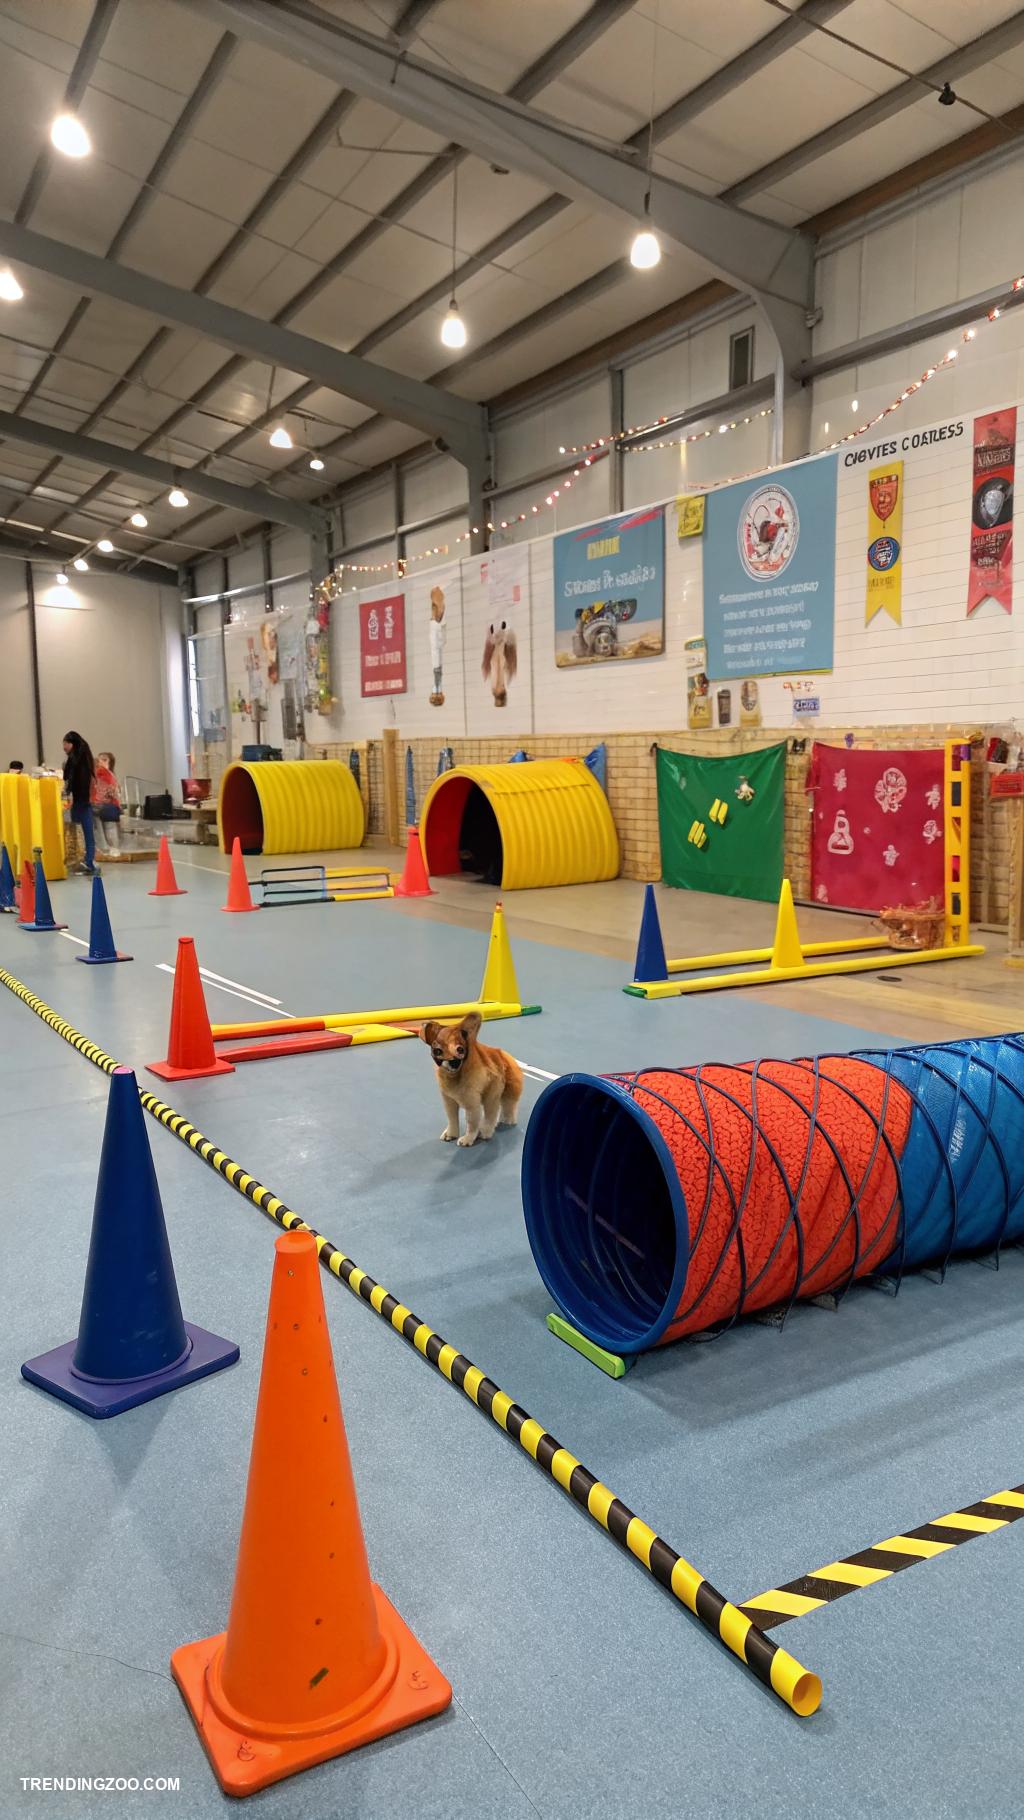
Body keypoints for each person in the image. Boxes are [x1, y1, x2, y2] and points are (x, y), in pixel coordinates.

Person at [62, 731, 96, 875]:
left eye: (66, 744)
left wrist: (70, 795)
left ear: (73, 744)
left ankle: (87, 862)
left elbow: (73, 780)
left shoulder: (78, 761)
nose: (63, 747)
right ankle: (86, 861)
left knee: (82, 833)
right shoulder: (80, 759)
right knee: (83, 833)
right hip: (81, 801)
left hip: (81, 802)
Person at [93, 750, 122, 852]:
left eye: (104, 760)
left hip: (107, 805)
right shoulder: (103, 774)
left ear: (110, 763)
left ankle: (111, 849)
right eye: (99, 760)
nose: (100, 762)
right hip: (103, 806)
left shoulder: (105, 774)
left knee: (108, 828)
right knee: (102, 828)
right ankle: (108, 849)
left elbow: (110, 792)